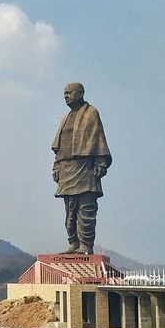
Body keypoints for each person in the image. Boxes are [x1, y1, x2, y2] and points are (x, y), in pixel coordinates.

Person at [51, 82, 112, 254]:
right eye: (64, 93)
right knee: (70, 210)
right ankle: (73, 242)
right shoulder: (65, 118)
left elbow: (97, 138)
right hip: (66, 168)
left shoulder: (91, 113)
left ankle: (86, 245)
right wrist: (56, 167)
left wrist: (100, 162)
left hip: (85, 168)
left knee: (86, 209)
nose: (66, 96)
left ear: (81, 94)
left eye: (69, 93)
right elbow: (59, 148)